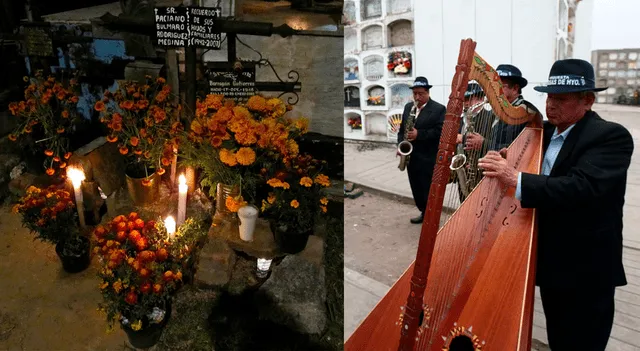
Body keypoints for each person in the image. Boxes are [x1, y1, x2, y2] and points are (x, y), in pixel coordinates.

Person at [478, 59, 634, 351]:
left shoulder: (610, 137)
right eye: (549, 96)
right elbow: (534, 168)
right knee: (558, 337)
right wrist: (505, 158)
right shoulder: (543, 131)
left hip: (586, 270)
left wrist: (515, 177)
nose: (550, 105)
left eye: (560, 99)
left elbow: (582, 187)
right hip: (552, 265)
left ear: (587, 101)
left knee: (582, 342)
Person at [397, 76, 446, 224]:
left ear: (427, 92)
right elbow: (402, 130)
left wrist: (419, 134)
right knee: (416, 188)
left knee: (427, 189)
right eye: (415, 94)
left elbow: (440, 131)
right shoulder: (408, 107)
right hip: (411, 157)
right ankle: (423, 211)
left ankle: (429, 215)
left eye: (421, 94)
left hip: (427, 157)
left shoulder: (439, 109)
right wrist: (400, 146)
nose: (417, 97)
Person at [466, 64, 541, 153]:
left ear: (515, 88)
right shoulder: (494, 112)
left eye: (501, 86)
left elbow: (519, 150)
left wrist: (483, 144)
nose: (495, 90)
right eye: (494, 86)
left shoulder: (527, 112)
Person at [454, 82, 495, 202]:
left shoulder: (490, 117)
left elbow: (492, 145)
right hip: (463, 172)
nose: (465, 103)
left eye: (469, 99)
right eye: (464, 99)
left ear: (481, 99)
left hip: (480, 173)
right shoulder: (461, 119)